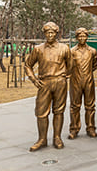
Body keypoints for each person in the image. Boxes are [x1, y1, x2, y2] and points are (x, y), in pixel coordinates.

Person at [25, 22, 71, 151]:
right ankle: (42, 139)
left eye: (52, 32)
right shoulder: (38, 49)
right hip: (44, 83)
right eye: (47, 33)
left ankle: (57, 137)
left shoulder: (64, 48)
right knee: (41, 113)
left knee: (59, 111)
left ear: (57, 33)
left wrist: (64, 76)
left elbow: (70, 64)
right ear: (44, 33)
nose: (50, 35)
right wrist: (33, 79)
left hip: (59, 82)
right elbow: (28, 65)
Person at [68, 28, 97, 139]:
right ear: (76, 37)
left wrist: (87, 74)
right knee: (74, 107)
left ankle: (91, 128)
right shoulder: (71, 51)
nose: (82, 38)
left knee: (90, 106)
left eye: (84, 36)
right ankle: (74, 129)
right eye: (80, 36)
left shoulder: (92, 51)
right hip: (75, 81)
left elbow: (95, 64)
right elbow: (68, 66)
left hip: (88, 81)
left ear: (87, 37)